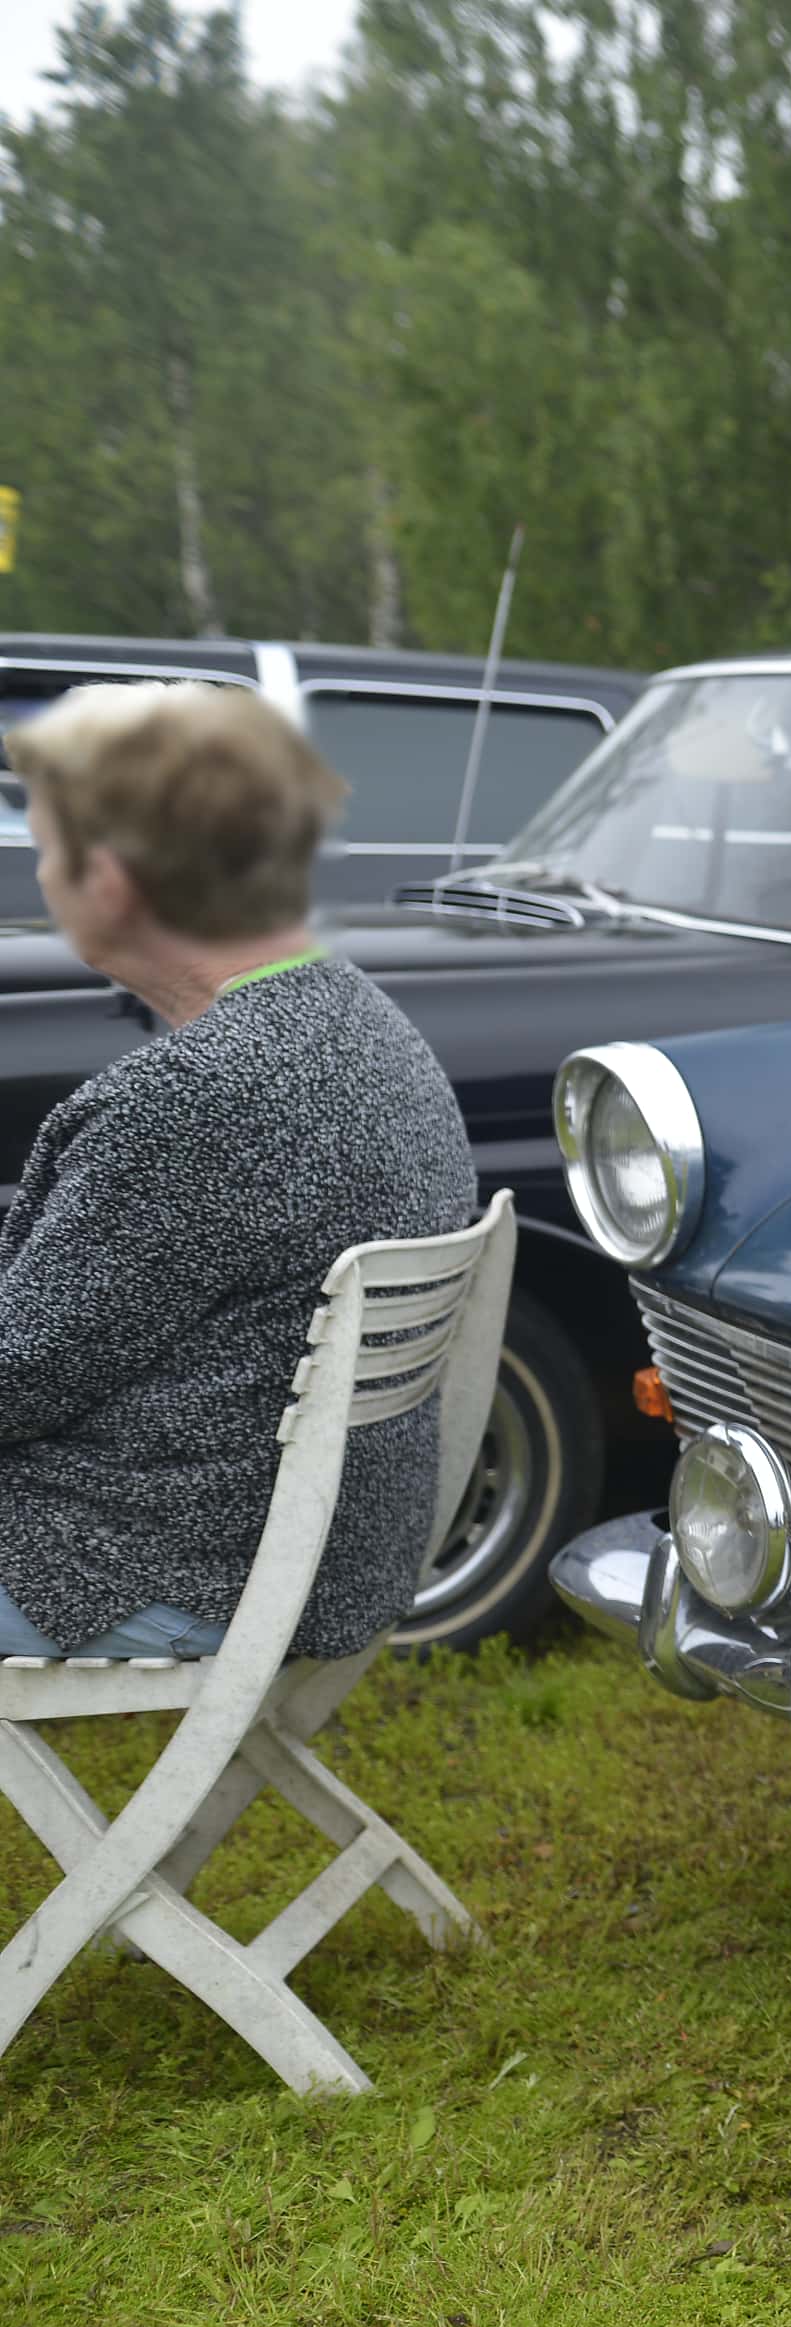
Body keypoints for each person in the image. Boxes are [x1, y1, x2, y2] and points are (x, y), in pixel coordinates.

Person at [0, 683, 474, 1660]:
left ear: (117, 880)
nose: (39, 878)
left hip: (149, 1566)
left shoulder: (188, 1099)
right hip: (333, 1554)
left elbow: (17, 1380)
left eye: (49, 849)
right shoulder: (367, 1023)